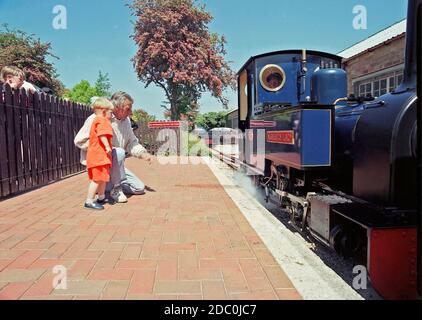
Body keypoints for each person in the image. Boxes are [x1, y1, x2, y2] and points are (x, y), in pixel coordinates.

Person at [74, 91, 152, 204]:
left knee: (139, 188)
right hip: (100, 164)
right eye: (128, 109)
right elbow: (79, 140)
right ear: (117, 107)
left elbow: (131, 142)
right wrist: (102, 147)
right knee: (119, 152)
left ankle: (103, 185)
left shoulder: (126, 121)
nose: (131, 112)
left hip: (115, 165)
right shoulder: (96, 118)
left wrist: (142, 153)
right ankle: (115, 188)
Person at [84, 97, 114, 210]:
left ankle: (101, 197)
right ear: (104, 111)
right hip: (99, 156)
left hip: (99, 157)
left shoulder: (97, 120)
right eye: (111, 112)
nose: (112, 115)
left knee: (102, 178)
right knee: (97, 179)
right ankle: (89, 201)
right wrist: (107, 146)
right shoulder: (102, 120)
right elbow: (102, 134)